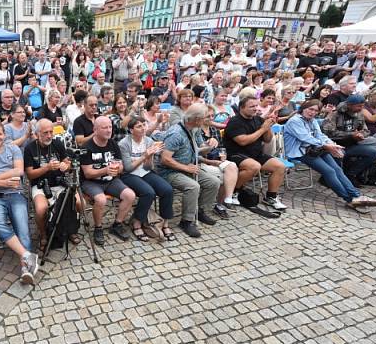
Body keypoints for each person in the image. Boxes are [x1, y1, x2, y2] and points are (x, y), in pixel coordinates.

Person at [284, 100, 376, 210]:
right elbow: (306, 138)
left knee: (337, 169)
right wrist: (327, 146)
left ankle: (356, 196)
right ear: (303, 108)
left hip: (316, 149)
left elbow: (320, 135)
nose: (312, 112)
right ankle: (350, 199)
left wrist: (332, 145)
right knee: (329, 171)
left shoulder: (312, 121)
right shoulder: (295, 121)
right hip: (299, 151)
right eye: (310, 109)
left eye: (315, 111)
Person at [0, 121, 39, 284]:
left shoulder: (14, 149)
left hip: (15, 193)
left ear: (4, 135)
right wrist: (5, 182)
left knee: (23, 229)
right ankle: (26, 255)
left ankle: (26, 268)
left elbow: (19, 171)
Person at [158, 104, 221, 238]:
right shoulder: (176, 134)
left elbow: (200, 148)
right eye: (204, 118)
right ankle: (187, 221)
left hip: (188, 165)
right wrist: (186, 168)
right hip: (169, 171)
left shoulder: (195, 129)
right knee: (193, 186)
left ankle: (200, 210)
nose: (206, 120)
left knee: (214, 182)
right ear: (197, 119)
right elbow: (165, 159)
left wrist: (210, 145)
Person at [24, 118, 82, 251]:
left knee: (78, 202)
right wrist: (47, 168)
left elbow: (68, 164)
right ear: (37, 133)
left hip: (60, 183)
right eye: (45, 133)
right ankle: (44, 234)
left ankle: (72, 230)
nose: (49, 135)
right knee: (40, 209)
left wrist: (65, 166)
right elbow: (30, 175)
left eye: (51, 132)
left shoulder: (57, 144)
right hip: (39, 185)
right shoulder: (30, 148)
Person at [223, 96, 288, 210]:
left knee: (280, 166)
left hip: (255, 153)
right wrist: (262, 129)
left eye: (256, 106)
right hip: (235, 154)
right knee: (254, 166)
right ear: (242, 108)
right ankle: (233, 191)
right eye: (251, 106)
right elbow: (243, 141)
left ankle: (271, 197)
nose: (255, 109)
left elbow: (267, 140)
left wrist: (267, 127)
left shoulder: (258, 119)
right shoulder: (235, 122)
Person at [80, 116, 137, 245]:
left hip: (111, 180)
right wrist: (105, 170)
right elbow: (88, 174)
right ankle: (98, 228)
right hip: (91, 182)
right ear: (95, 130)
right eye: (104, 127)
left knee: (130, 195)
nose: (108, 130)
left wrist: (118, 169)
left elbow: (121, 166)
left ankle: (117, 224)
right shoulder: (87, 147)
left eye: (110, 127)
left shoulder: (113, 144)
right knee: (101, 200)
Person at [119, 117, 175, 241]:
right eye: (139, 126)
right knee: (148, 192)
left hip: (145, 172)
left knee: (167, 190)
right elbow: (128, 168)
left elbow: (149, 167)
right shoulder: (124, 143)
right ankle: (137, 223)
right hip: (129, 175)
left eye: (144, 125)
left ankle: (165, 224)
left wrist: (150, 157)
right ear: (131, 130)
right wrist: (145, 155)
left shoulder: (149, 141)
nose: (143, 128)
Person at [322, 95, 376, 186]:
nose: (361, 108)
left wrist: (361, 135)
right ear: (349, 105)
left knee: (374, 152)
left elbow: (366, 130)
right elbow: (327, 132)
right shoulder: (335, 114)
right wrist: (350, 135)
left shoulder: (359, 114)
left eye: (362, 106)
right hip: (334, 145)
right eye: (358, 106)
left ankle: (351, 174)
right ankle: (331, 178)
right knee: (339, 154)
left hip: (351, 145)